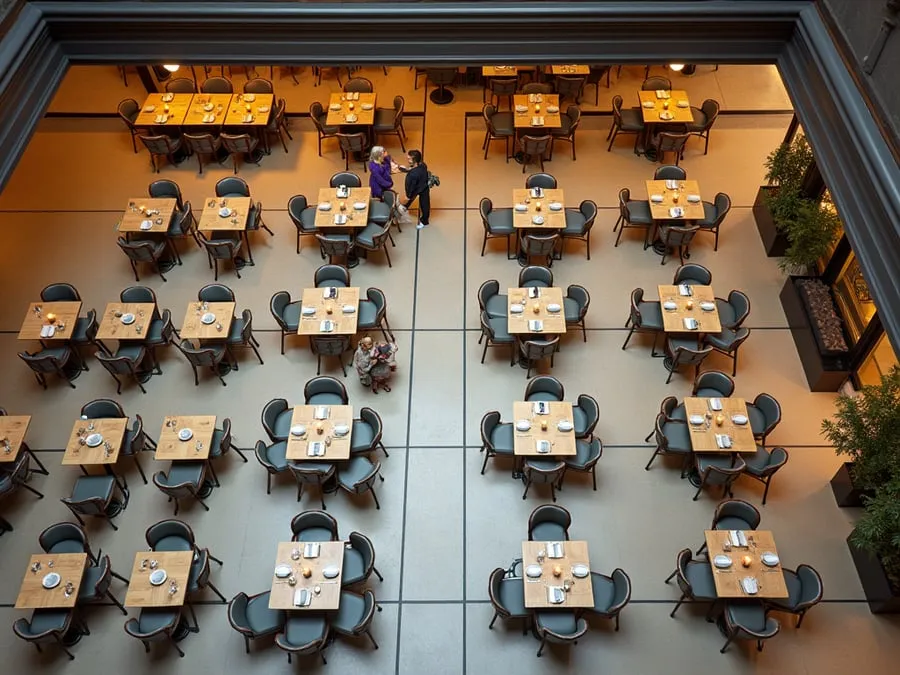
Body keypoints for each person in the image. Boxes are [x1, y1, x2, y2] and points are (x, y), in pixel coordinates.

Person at [400, 149, 430, 229]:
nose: (407, 159)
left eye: (409, 158)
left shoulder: (413, 175)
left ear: (415, 161)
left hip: (417, 188)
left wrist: (408, 196)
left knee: (422, 204)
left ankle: (424, 221)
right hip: (424, 186)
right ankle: (424, 220)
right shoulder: (423, 165)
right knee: (425, 203)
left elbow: (411, 187)